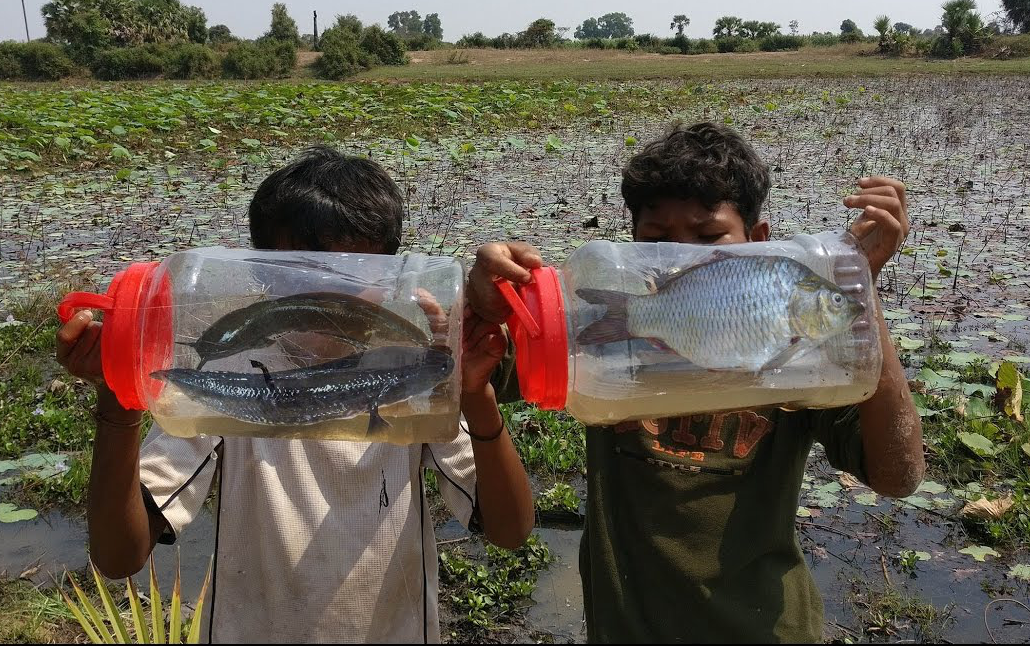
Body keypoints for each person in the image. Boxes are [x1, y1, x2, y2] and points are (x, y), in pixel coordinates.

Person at [467, 122, 924, 643]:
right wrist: (484, 304)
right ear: (635, 247)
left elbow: (898, 474)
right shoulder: (605, 344)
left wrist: (860, 287)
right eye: (657, 242)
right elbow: (474, 368)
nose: (682, 258)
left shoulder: (795, 356)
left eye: (709, 237)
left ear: (758, 244)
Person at [56, 146, 535, 643]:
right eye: (299, 275)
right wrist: (121, 393)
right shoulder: (232, 381)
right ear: (263, 276)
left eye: (353, 276)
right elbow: (119, 556)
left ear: (387, 276)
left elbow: (510, 528)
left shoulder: (407, 372)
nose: (326, 298)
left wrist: (472, 392)